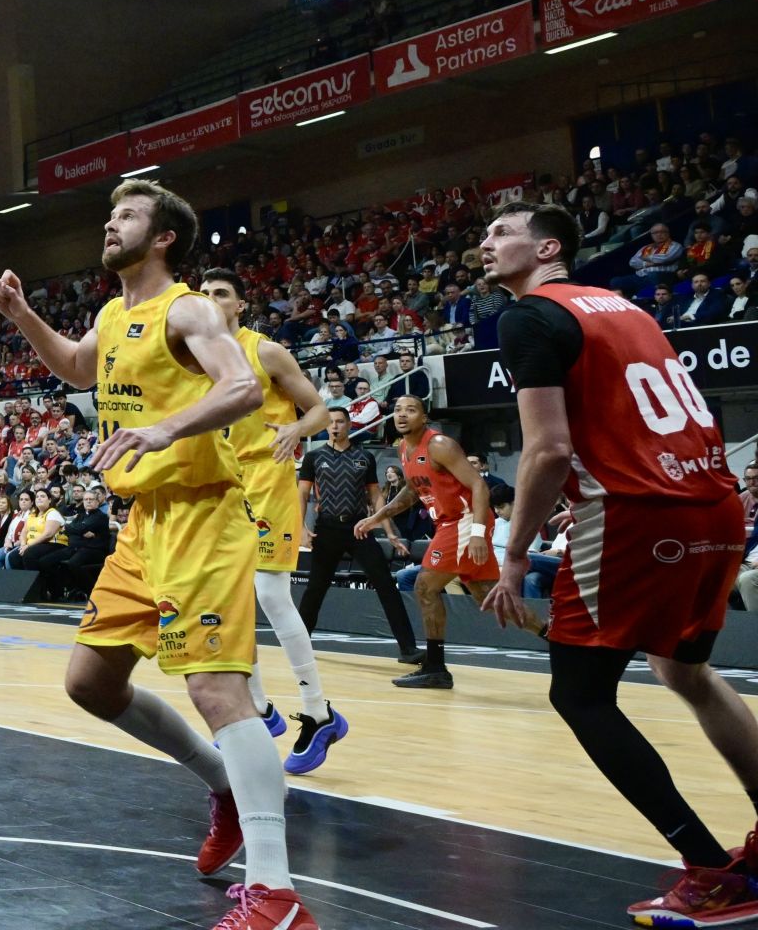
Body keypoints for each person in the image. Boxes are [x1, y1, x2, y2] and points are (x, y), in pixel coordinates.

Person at [0, 179, 316, 930]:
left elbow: (239, 386)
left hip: (203, 515)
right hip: (144, 523)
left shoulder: (190, 309)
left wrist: (168, 431)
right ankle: (224, 787)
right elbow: (77, 366)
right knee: (90, 683)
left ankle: (277, 894)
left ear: (164, 236)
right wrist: (24, 317)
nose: (111, 224)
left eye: (128, 216)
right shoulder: (113, 313)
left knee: (218, 693)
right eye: (110, 216)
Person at [479, 201, 758, 926]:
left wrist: (513, 556)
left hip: (640, 516)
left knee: (579, 694)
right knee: (685, 670)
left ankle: (710, 871)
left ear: (548, 248)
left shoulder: (528, 317)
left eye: (501, 233)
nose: (485, 243)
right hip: (714, 502)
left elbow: (547, 450)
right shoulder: (628, 311)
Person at [199, 270, 343, 775]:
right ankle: (258, 710)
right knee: (228, 599)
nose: (211, 301)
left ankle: (319, 711)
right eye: (204, 294)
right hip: (223, 484)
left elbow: (322, 410)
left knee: (271, 595)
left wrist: (298, 429)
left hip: (269, 478)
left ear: (239, 305)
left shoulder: (266, 352)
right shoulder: (196, 357)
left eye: (221, 294)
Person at [357, 396, 542, 688]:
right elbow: (412, 491)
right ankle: (556, 636)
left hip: (464, 521)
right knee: (489, 596)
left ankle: (436, 667)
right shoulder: (405, 448)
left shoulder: (439, 445)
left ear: (424, 418)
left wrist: (479, 533)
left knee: (424, 586)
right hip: (450, 523)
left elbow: (479, 485)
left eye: (411, 410)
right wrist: (376, 517)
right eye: (397, 410)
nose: (402, 415)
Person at [295, 408, 422, 660]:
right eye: (330, 422)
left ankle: (408, 649)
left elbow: (375, 496)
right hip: (327, 529)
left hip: (360, 528)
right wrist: (300, 528)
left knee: (386, 585)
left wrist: (389, 531)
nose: (335, 426)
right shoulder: (314, 457)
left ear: (349, 424)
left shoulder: (364, 457)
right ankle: (298, 646)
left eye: (340, 422)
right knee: (315, 590)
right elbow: (301, 495)